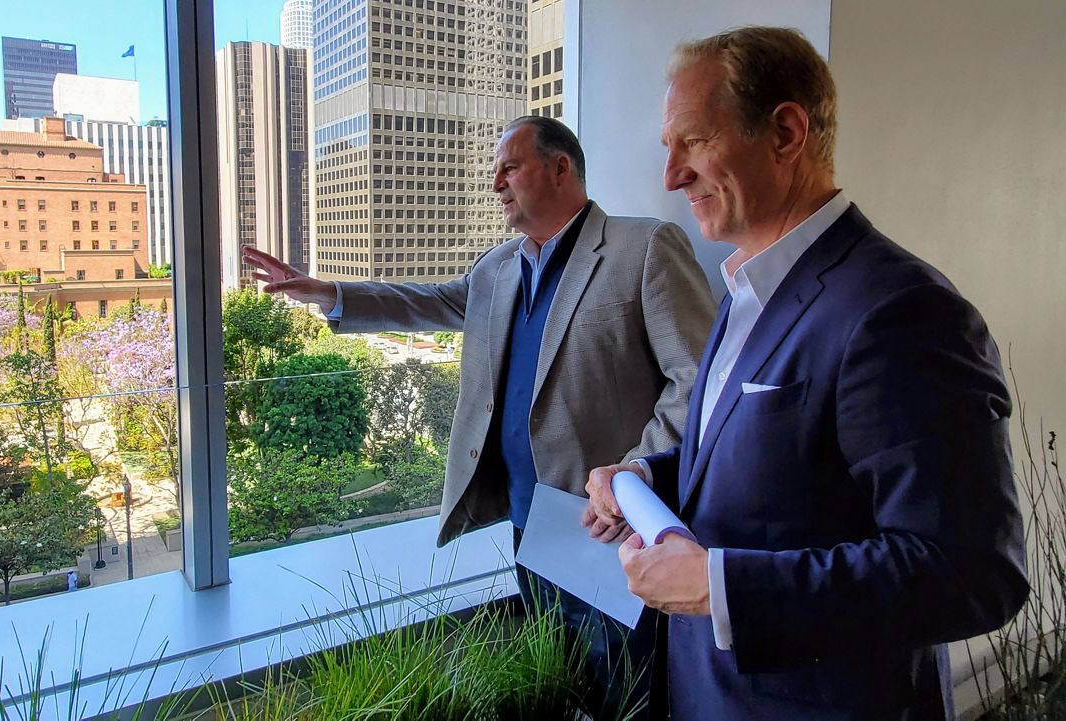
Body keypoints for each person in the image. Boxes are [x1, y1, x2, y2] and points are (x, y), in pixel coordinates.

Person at [585, 27, 1029, 720]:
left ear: (787, 131)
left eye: (693, 141)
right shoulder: (746, 289)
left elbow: (972, 573)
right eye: (666, 148)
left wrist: (718, 587)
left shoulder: (902, 310)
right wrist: (647, 477)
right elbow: (777, 463)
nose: (670, 176)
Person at [244, 115, 716, 716]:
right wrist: (331, 294)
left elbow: (697, 379)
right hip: (528, 519)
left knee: (628, 682)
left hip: (607, 525)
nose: (496, 184)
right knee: (563, 676)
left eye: (509, 168)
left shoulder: (642, 246)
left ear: (560, 167)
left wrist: (634, 473)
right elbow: (431, 301)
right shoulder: (498, 267)